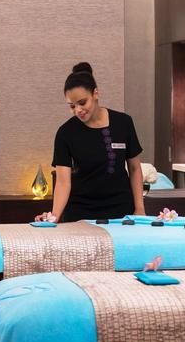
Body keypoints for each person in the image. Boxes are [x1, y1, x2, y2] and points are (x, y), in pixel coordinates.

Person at [35, 63, 145, 223]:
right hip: (81, 213)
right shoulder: (66, 132)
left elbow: (135, 169)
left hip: (121, 211)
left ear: (95, 93)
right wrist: (55, 216)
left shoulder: (123, 123)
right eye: (72, 106)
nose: (78, 110)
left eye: (82, 102)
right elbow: (63, 182)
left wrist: (139, 208)